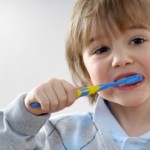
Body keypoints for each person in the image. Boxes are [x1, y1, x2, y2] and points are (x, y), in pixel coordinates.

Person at [1, 0, 150, 149]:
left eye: (137, 41)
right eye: (102, 50)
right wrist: (23, 118)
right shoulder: (58, 134)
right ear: (85, 69)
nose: (120, 60)